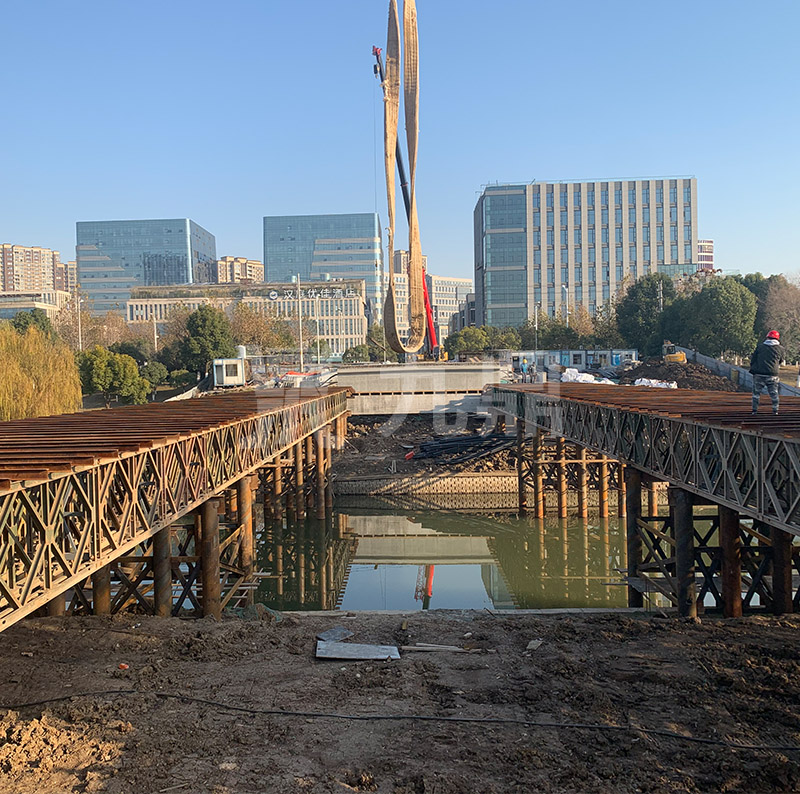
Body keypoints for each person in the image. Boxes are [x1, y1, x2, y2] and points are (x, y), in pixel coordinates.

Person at [749, 330, 784, 415]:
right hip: (772, 375)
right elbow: (781, 361)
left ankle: (754, 411)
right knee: (774, 394)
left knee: (756, 394)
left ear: (767, 337)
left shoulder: (760, 347)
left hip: (759, 374)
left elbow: (753, 359)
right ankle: (775, 411)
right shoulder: (780, 349)